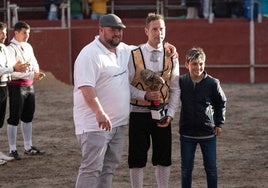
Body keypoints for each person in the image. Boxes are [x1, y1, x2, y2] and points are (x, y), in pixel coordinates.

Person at [73, 13, 177, 188]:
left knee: (108, 168)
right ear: (100, 30)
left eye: (119, 30)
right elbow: (86, 87)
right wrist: (99, 112)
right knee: (91, 169)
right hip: (95, 124)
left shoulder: (122, 50)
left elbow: (148, 48)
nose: (117, 33)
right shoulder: (89, 54)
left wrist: (165, 45)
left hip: (118, 124)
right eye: (112, 30)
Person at [128, 13, 180, 188]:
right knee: (137, 158)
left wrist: (171, 114)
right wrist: (144, 95)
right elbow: (124, 85)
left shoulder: (172, 56)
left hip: (162, 113)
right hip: (138, 113)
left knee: (164, 157)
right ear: (146, 31)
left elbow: (175, 88)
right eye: (155, 29)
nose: (159, 33)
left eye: (162, 29)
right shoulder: (133, 54)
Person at [178, 47, 227, 188]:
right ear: (187, 64)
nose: (198, 67)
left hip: (208, 133)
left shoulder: (213, 83)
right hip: (187, 133)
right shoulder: (181, 82)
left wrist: (219, 123)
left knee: (211, 169)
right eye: (194, 64)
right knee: (186, 170)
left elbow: (221, 102)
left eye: (201, 63)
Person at [6, 21, 46, 161]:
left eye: (28, 33)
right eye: (24, 33)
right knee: (14, 117)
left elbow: (34, 62)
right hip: (16, 85)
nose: (27, 36)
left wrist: (36, 72)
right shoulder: (9, 49)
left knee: (28, 116)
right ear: (16, 32)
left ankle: (28, 146)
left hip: (29, 85)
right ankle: (12, 149)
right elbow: (12, 72)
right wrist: (31, 74)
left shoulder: (28, 46)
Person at [0, 22, 28, 165]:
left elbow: (8, 67)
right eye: (1, 33)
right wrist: (13, 67)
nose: (4, 35)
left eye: (4, 32)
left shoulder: (4, 49)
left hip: (4, 85)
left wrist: (17, 68)